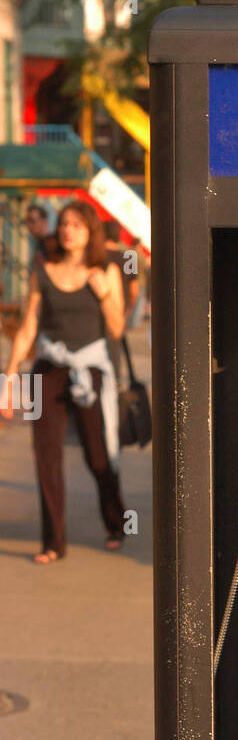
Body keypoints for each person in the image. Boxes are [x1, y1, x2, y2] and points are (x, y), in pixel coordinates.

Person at [3, 199, 127, 563]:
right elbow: (27, 327)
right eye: (65, 224)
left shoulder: (105, 269)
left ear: (90, 231)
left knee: (98, 452)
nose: (68, 230)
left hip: (90, 369)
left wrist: (104, 292)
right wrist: (9, 377)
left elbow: (117, 328)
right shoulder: (43, 272)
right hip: (48, 369)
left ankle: (116, 521)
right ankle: (53, 542)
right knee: (46, 456)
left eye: (76, 224)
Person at [103, 219, 140, 383]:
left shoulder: (96, 256)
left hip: (100, 310)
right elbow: (134, 289)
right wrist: (128, 309)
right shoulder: (129, 255)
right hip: (120, 310)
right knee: (115, 354)